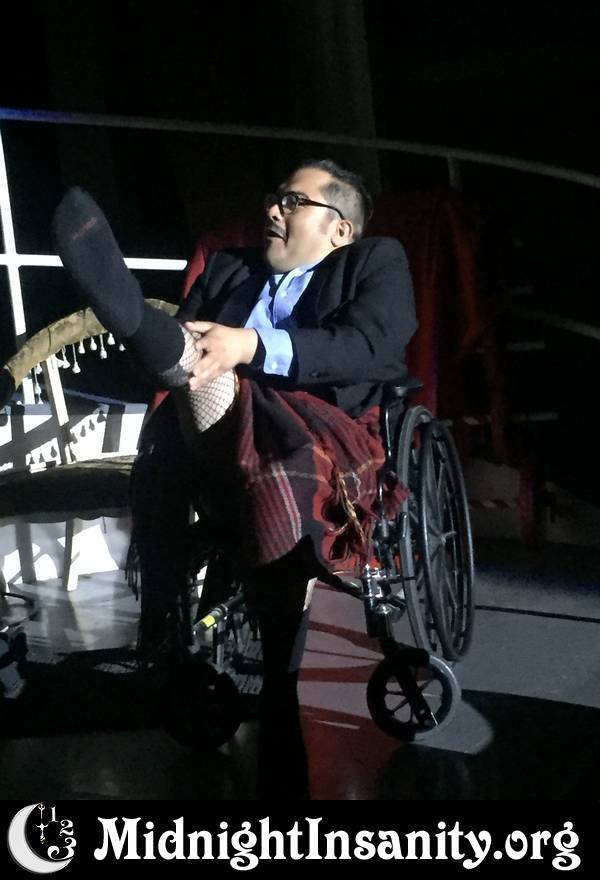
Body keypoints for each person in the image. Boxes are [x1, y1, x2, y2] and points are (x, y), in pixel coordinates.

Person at [52, 159, 418, 799]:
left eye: (293, 202)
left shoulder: (373, 261)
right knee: (193, 368)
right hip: (214, 438)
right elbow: (174, 374)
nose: (272, 210)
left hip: (322, 436)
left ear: (339, 229)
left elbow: (370, 348)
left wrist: (249, 345)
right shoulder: (229, 268)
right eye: (274, 198)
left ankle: (134, 317)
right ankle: (145, 328)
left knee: (218, 377)